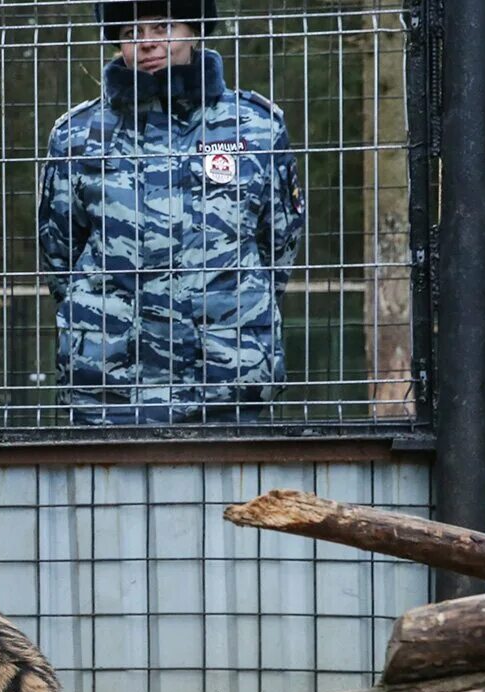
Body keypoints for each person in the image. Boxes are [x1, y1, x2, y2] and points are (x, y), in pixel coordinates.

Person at [38, 1, 305, 425]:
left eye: (162, 25)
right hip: (112, 383)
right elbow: (59, 251)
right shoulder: (77, 136)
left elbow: (279, 243)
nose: (146, 43)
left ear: (194, 29)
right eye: (131, 33)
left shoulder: (255, 127)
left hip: (227, 374)